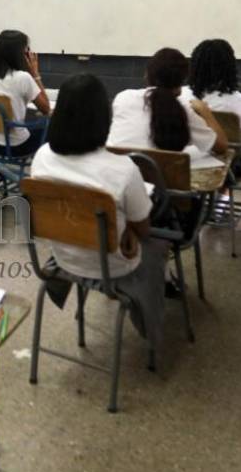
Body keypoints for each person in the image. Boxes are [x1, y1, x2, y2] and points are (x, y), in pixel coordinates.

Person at [30, 74, 168, 349]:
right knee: (159, 246)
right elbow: (143, 228)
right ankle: (151, 331)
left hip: (61, 258)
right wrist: (127, 229)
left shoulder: (42, 156)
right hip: (113, 266)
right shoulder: (123, 169)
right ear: (104, 117)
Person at [110, 48, 228, 155]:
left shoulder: (123, 98)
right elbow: (221, 146)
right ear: (181, 83)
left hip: (115, 174)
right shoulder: (183, 111)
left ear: (146, 75)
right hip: (157, 177)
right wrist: (205, 111)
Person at [0, 30, 51, 157]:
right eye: (26, 49)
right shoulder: (23, 78)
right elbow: (46, 108)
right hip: (16, 146)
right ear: (20, 54)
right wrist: (35, 74)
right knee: (50, 128)